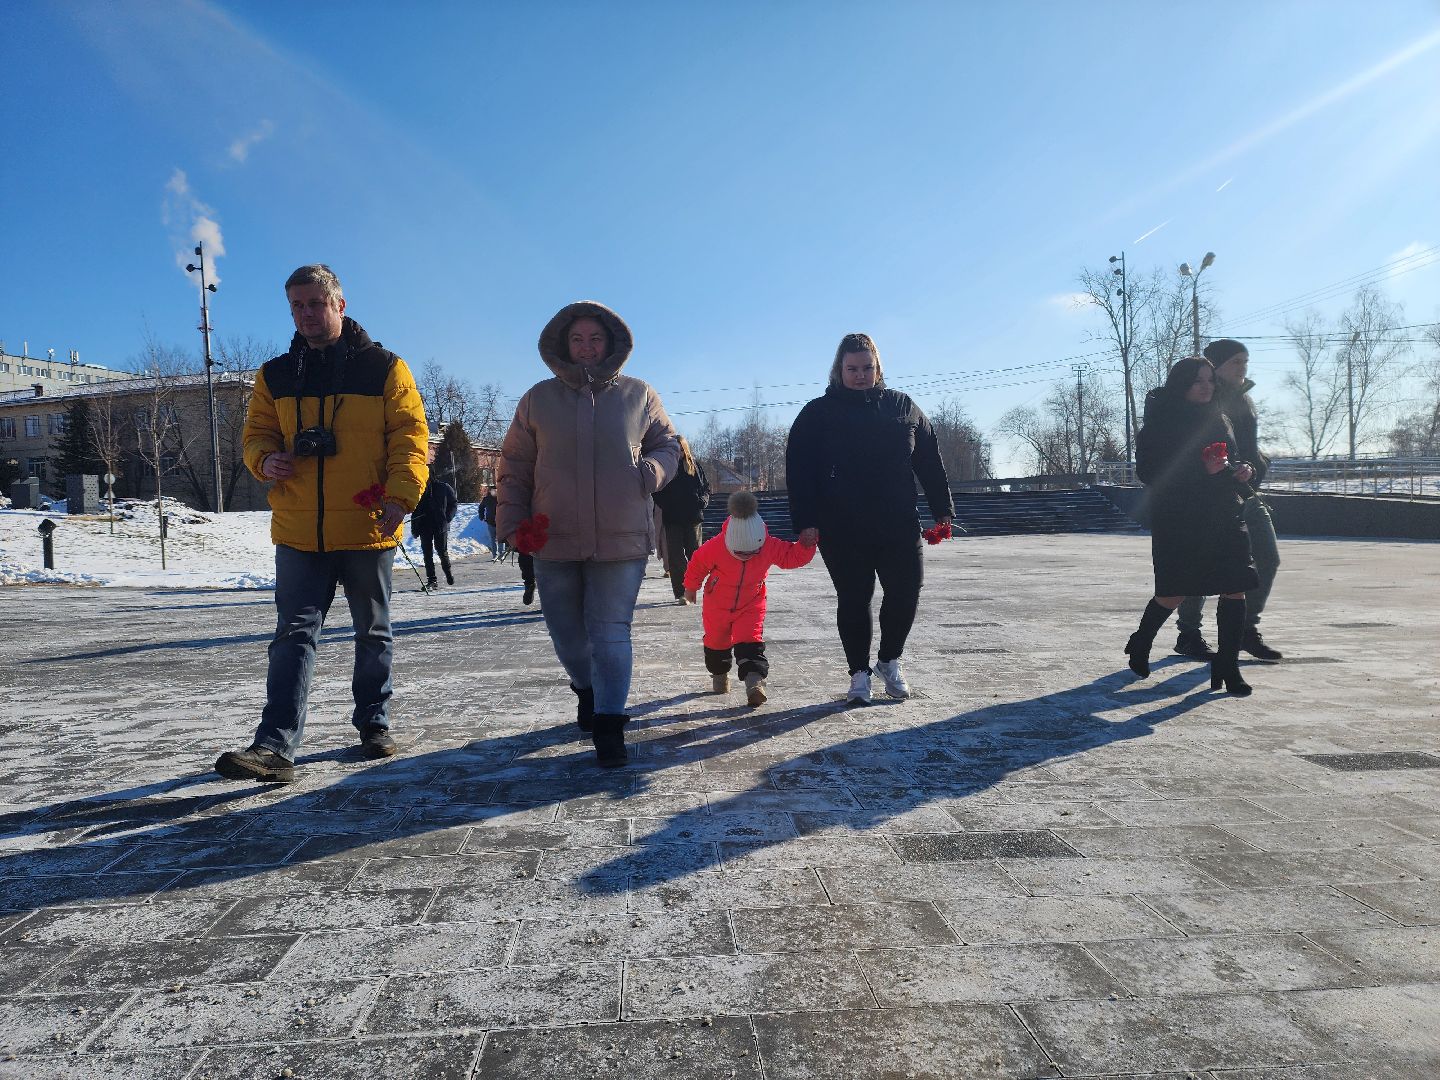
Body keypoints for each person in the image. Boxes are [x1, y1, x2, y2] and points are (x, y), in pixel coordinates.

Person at [216, 264, 429, 782]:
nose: (306, 314)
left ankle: (374, 724)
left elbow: (410, 438)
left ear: (340, 304)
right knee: (292, 635)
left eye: (315, 303)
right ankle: (274, 747)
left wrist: (401, 498)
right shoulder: (275, 374)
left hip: (367, 525)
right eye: (296, 305)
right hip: (298, 530)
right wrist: (265, 460)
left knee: (372, 632)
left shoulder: (385, 367)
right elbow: (256, 435)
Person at [497, 301, 679, 766]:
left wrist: (649, 473)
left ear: (611, 343)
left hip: (621, 535)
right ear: (563, 344)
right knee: (567, 634)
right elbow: (514, 466)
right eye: (577, 339)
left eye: (595, 339)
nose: (586, 348)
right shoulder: (537, 399)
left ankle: (610, 723)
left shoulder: (639, 394)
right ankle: (587, 688)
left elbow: (667, 444)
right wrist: (512, 522)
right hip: (552, 535)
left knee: (610, 630)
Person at [786, 333, 954, 705]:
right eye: (852, 369)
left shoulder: (902, 406)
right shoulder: (817, 414)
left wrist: (942, 509)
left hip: (898, 522)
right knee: (854, 598)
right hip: (842, 527)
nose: (860, 375)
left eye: (867, 368)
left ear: (877, 368)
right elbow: (799, 470)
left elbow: (929, 460)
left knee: (907, 590)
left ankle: (889, 661)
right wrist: (806, 520)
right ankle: (858, 674)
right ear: (839, 370)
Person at [1125, 355, 1260, 696]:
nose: (1206, 387)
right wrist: (1204, 471)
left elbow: (1231, 458)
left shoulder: (1219, 418)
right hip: (1180, 519)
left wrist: (1243, 470)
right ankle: (1141, 640)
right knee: (1174, 592)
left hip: (1223, 514)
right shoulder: (1160, 423)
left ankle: (1227, 666)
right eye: (1198, 380)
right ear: (1181, 384)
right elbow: (1149, 473)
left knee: (1235, 586)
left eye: (1210, 380)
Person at [1173, 339, 1283, 662]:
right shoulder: (1203, 398)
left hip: (1246, 491)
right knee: (1201, 563)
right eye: (1236, 361)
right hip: (1210, 495)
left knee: (1267, 557)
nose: (1243, 367)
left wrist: (1255, 465)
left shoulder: (1245, 400)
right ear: (1216, 365)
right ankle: (1188, 634)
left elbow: (1248, 448)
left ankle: (1246, 629)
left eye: (1245, 361)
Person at [683, 490, 816, 706]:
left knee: (750, 643)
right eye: (740, 553)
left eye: (753, 552)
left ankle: (755, 685)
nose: (746, 557)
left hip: (751, 604)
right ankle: (719, 675)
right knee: (716, 643)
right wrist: (691, 587)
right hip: (717, 605)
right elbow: (697, 564)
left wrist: (806, 545)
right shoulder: (716, 546)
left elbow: (791, 557)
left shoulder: (769, 546)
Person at [653, 434, 711, 603]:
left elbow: (705, 488)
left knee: (695, 555)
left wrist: (702, 501)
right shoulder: (666, 468)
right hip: (673, 519)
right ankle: (681, 593)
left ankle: (693, 589)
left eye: (680, 449)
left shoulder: (694, 466)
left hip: (693, 517)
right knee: (676, 558)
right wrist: (666, 505)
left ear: (685, 449)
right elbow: (657, 491)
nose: (678, 453)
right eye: (675, 450)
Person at [411, 473, 458, 589]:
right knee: (427, 554)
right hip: (424, 525)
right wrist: (414, 528)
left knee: (442, 551)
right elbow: (415, 510)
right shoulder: (419, 489)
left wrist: (447, 517)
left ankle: (448, 574)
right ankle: (432, 580)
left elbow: (453, 503)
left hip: (440, 524)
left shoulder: (443, 487)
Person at [478, 486, 502, 559]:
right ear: (490, 491)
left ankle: (501, 554)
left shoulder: (501, 498)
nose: (494, 492)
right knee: (492, 539)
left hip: (500, 522)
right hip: (490, 522)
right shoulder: (486, 499)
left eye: (496, 490)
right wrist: (481, 516)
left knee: (501, 538)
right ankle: (495, 555)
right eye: (493, 491)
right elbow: (481, 507)